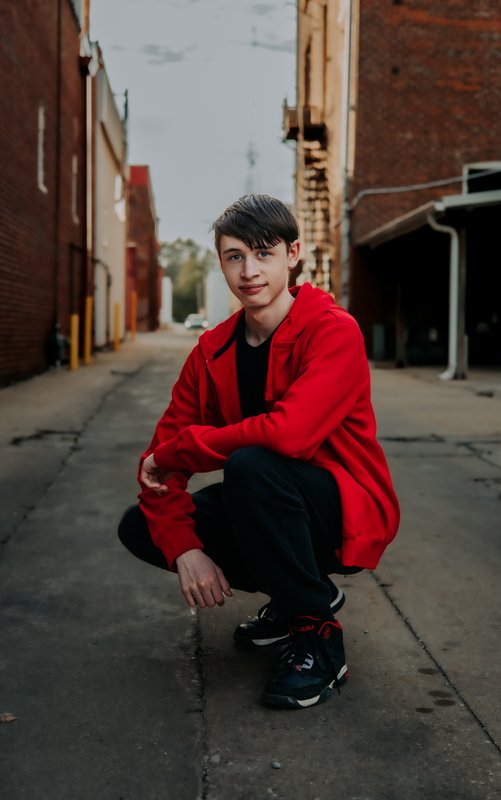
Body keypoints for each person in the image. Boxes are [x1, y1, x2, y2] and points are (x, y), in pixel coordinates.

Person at [118, 194, 400, 710]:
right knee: (141, 527)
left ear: (293, 254)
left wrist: (185, 449)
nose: (249, 271)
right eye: (235, 256)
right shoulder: (212, 351)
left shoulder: (333, 330)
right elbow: (157, 468)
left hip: (344, 508)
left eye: (263, 253)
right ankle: (298, 594)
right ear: (221, 262)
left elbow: (290, 436)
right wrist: (185, 549)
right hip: (269, 501)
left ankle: (317, 635)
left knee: (252, 466)